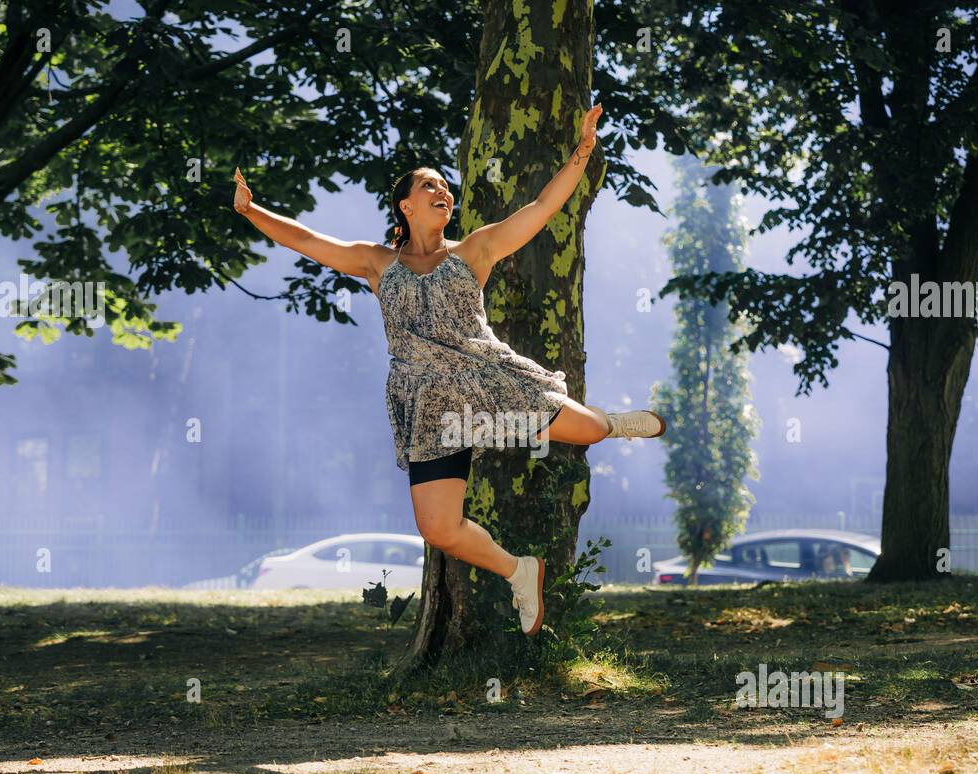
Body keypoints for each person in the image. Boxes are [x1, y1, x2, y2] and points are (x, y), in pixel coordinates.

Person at [232, 103, 665, 636]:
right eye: (430, 186)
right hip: (430, 406)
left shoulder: (475, 250)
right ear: (405, 205)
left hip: (487, 384)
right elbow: (307, 242)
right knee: (438, 528)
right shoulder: (376, 263)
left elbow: (542, 208)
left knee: (591, 432)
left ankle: (616, 423)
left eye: (447, 188)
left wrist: (582, 153)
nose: (444, 193)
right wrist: (252, 212)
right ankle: (519, 571)